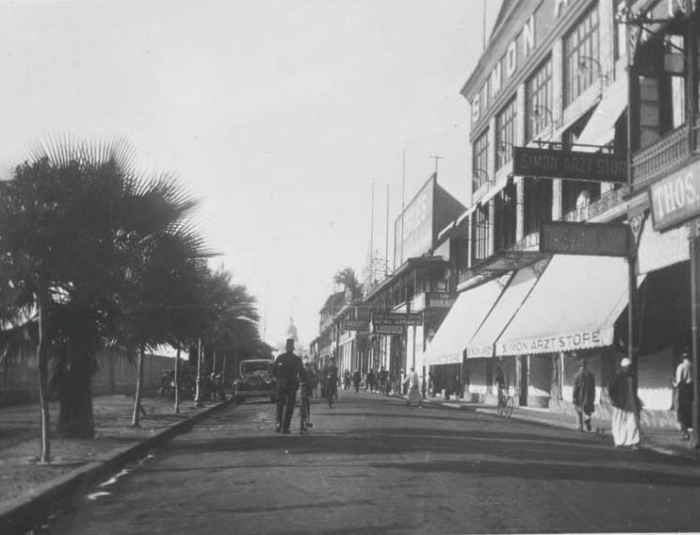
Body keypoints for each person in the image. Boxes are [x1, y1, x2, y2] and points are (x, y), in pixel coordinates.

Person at [608, 358, 641, 449]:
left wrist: (637, 401)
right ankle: (618, 441)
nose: (629, 369)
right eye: (628, 367)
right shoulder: (618, 377)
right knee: (619, 421)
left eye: (630, 367)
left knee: (633, 421)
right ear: (624, 367)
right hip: (620, 403)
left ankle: (633, 442)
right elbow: (611, 389)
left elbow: (633, 391)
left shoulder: (633, 377)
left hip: (631, 402)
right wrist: (613, 400)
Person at [274, 338, 305, 434]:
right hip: (291, 384)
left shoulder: (280, 358)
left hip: (281, 384)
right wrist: (303, 380)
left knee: (280, 405)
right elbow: (302, 372)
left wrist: (279, 379)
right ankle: (285, 427)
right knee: (289, 406)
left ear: (286, 348)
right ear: (293, 348)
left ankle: (278, 425)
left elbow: (274, 371)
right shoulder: (296, 359)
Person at [672, 349, 693, 440]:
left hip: (683, 389)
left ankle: (686, 433)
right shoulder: (693, 365)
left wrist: (673, 383)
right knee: (691, 409)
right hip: (692, 389)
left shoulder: (681, 366)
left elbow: (679, 382)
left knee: (682, 411)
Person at [573, 359, 596, 432]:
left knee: (579, 410)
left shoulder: (577, 375)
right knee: (587, 410)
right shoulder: (591, 375)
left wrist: (574, 396)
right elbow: (593, 387)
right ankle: (587, 422)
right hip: (589, 396)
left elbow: (575, 387)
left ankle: (580, 426)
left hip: (580, 396)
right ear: (586, 366)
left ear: (580, 366)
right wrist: (593, 397)